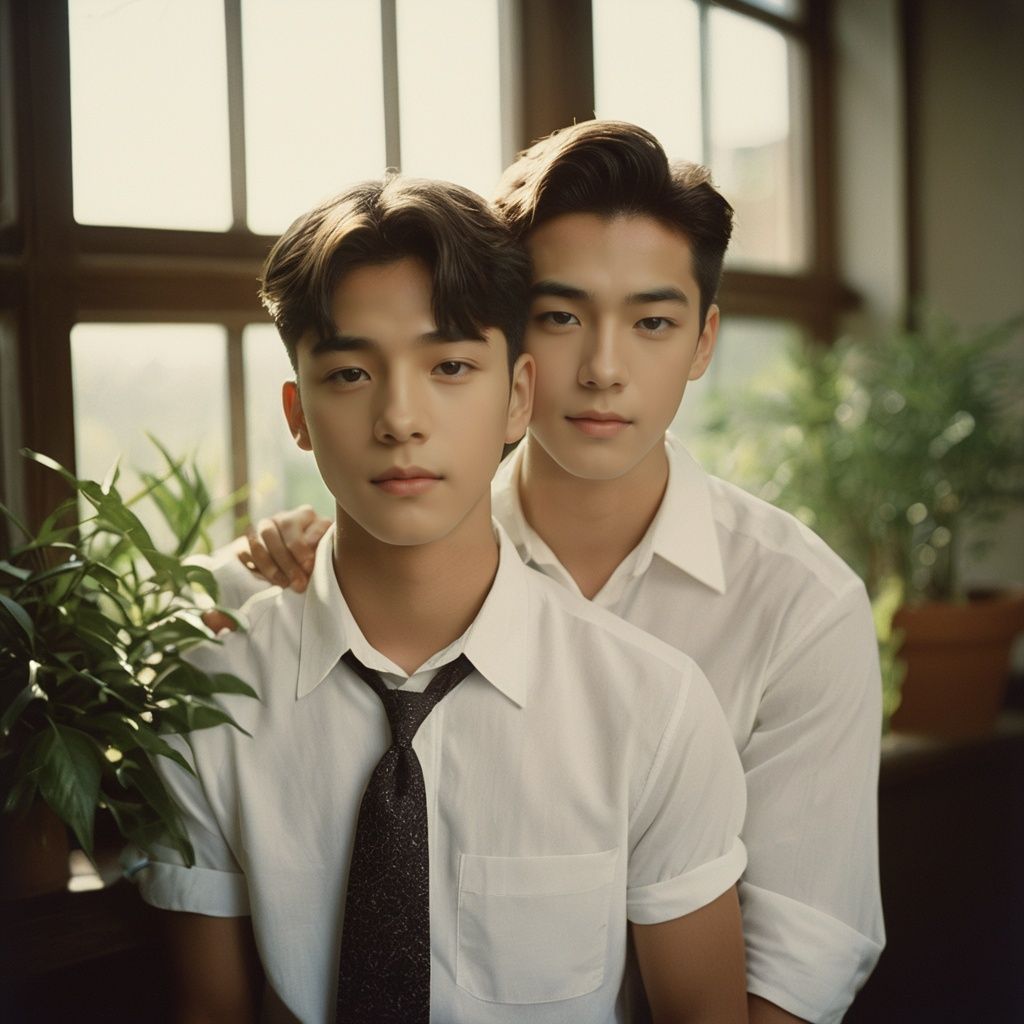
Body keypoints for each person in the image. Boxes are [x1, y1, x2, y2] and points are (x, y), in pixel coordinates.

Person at [221, 122, 885, 1024]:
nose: (604, 370)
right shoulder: (395, 536)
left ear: (702, 342)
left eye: (653, 321)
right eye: (562, 316)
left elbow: (798, 965)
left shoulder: (802, 607)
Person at [141, 173, 750, 1023]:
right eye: (351, 373)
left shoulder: (651, 707)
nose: (400, 418)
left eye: (451, 366)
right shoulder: (214, 700)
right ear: (299, 413)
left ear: (518, 396)